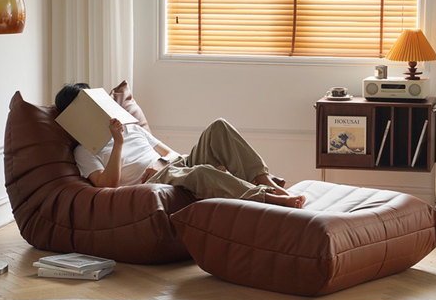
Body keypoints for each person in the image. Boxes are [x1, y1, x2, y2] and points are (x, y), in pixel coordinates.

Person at [55, 83, 306, 209]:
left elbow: (167, 151)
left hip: (174, 165)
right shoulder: (84, 151)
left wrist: (170, 162)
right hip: (153, 180)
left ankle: (268, 184)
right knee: (202, 172)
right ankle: (268, 199)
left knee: (219, 126)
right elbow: (107, 184)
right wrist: (117, 142)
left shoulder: (130, 125)